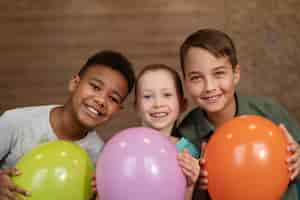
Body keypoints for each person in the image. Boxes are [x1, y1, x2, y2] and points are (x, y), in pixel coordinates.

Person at [177, 28, 300, 200]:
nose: (209, 87)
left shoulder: (269, 112)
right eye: (196, 77)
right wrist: (200, 187)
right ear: (185, 82)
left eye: (219, 73)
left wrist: (298, 159)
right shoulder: (185, 136)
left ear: (236, 74)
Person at [0, 50, 135, 199]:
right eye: (95, 87)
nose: (101, 100)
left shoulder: (101, 160)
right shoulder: (15, 121)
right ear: (74, 84)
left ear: (118, 110)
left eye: (113, 99)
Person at [134, 64, 200, 200]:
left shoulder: (187, 152)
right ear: (136, 106)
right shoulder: (124, 147)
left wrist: (190, 184)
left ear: (183, 105)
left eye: (167, 95)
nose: (158, 104)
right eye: (147, 96)